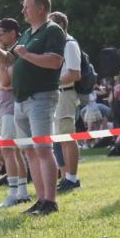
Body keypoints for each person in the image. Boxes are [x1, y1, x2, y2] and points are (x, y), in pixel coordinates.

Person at [0, 0, 66, 215]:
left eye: (26, 7)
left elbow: (55, 61)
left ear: (41, 8)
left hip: (40, 97)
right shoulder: (28, 33)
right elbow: (8, 58)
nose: (23, 11)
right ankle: (40, 200)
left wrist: (27, 55)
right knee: (30, 151)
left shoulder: (53, 31)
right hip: (21, 100)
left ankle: (50, 201)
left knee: (42, 149)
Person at [0, 17, 30, 207]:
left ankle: (15, 193)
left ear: (12, 33)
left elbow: (6, 82)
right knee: (12, 151)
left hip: (12, 107)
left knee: (9, 150)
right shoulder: (6, 53)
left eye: (1, 32)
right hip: (6, 106)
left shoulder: (15, 52)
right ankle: (20, 192)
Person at [48, 11, 83, 192]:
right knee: (59, 139)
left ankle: (72, 178)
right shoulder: (60, 45)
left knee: (67, 137)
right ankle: (65, 178)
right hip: (58, 94)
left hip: (66, 94)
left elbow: (74, 74)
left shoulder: (69, 44)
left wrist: (50, 81)